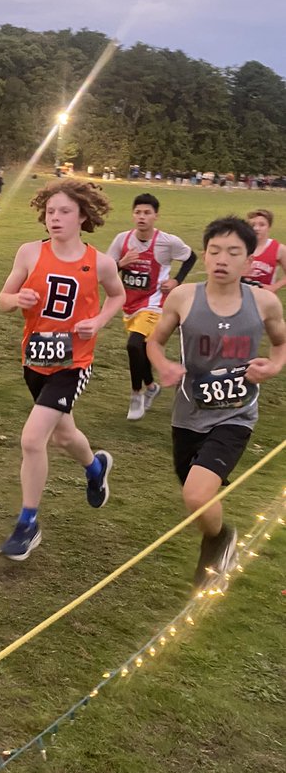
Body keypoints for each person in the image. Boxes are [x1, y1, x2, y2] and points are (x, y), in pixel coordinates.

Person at [146, 216, 286, 587]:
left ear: (250, 262)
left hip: (235, 416)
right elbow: (154, 341)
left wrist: (270, 368)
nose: (222, 259)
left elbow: (280, 344)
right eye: (214, 251)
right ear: (205, 256)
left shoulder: (265, 303)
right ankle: (220, 535)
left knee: (196, 495)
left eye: (233, 252)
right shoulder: (183, 298)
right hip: (187, 413)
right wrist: (164, 366)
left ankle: (217, 542)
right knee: (195, 497)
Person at [0, 182, 125, 560]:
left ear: (82, 216)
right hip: (34, 360)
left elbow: (117, 295)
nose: (55, 218)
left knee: (34, 439)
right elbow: (3, 300)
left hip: (73, 363)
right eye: (51, 211)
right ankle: (96, 466)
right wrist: (16, 298)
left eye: (64, 211)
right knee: (64, 436)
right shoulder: (29, 253)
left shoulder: (99, 262)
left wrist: (99, 321)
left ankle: (28, 524)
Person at [106, 193, 196, 420]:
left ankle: (136, 394)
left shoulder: (167, 242)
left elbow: (191, 256)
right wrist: (120, 263)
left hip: (155, 304)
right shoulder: (122, 240)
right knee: (142, 349)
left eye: (147, 213)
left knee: (134, 345)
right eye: (138, 212)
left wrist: (177, 280)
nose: (142, 217)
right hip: (130, 304)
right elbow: (105, 271)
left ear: (156, 216)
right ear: (132, 214)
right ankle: (151, 386)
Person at [244, 209, 286, 292]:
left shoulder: (278, 249)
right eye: (252, 225)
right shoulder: (240, 247)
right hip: (242, 297)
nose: (256, 228)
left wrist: (274, 287)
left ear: (269, 227)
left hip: (265, 299)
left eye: (262, 225)